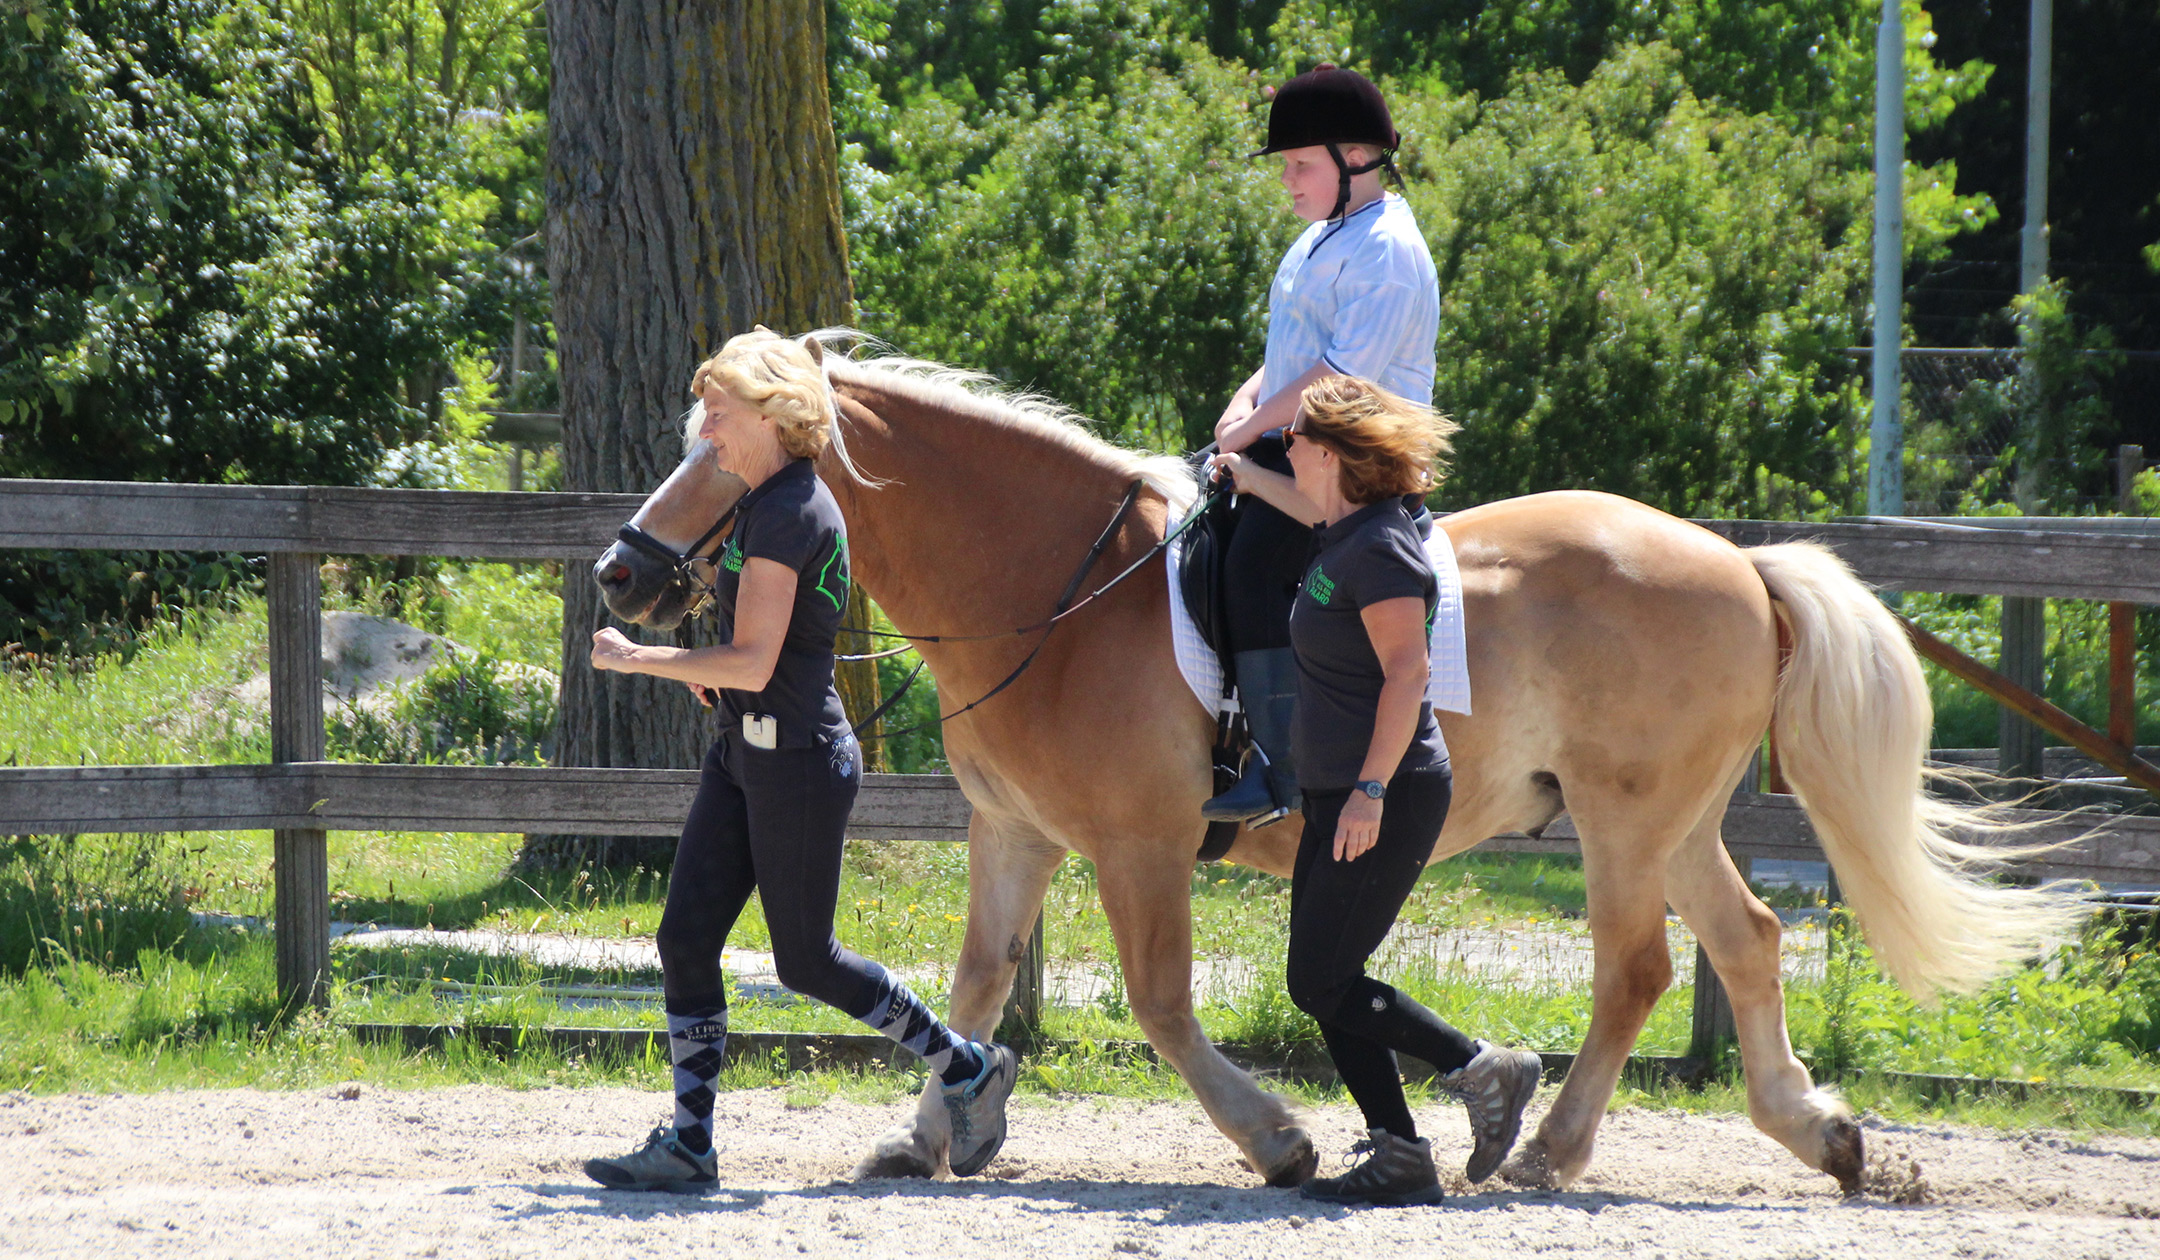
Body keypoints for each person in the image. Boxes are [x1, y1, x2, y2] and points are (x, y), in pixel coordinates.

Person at [583, 329, 1017, 1191]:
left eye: (717, 411)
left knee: (806, 962)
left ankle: (967, 1067)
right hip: (745, 754)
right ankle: (691, 1145)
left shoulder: (790, 512)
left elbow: (752, 658)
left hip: (800, 765)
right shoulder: (757, 501)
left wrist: (648, 662)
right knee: (685, 937)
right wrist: (706, 682)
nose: (705, 429)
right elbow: (755, 662)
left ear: (772, 413)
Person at [1210, 376, 1541, 1206]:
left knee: (1322, 981)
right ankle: (1398, 1154)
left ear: (1330, 453)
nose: (1287, 448)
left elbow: (1408, 674)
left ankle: (1479, 1066)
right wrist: (1246, 478)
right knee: (1327, 979)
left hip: (1384, 793)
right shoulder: (1344, 528)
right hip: (1337, 790)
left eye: (1296, 442)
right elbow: (1308, 509)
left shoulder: (1383, 547)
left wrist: (1368, 790)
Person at [1202, 64, 1442, 826]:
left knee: (1252, 564)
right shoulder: (1325, 237)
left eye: (1300, 164)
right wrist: (1241, 406)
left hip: (1358, 462)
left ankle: (1280, 770)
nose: (1288, 181)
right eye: (1287, 166)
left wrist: (1248, 430)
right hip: (1298, 439)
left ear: (1357, 160)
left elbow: (1337, 381)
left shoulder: (1387, 254)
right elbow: (1292, 355)